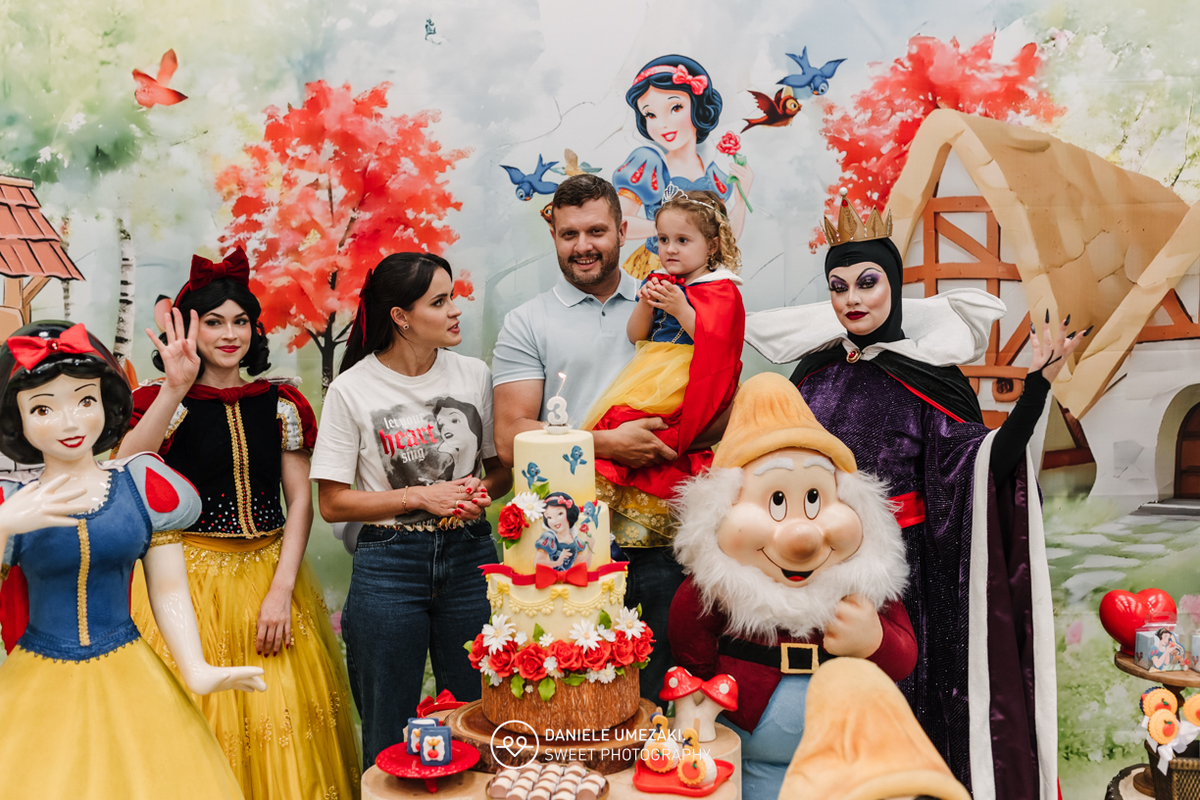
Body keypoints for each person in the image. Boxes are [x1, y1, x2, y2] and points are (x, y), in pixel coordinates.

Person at [744, 196, 1082, 800]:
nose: (853, 298)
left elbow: (985, 467)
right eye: (839, 285)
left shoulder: (929, 374)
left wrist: (1037, 389)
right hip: (809, 577)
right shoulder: (813, 374)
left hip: (904, 584)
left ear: (893, 286)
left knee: (898, 726)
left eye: (867, 282)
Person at [118, 250, 361, 800]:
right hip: (186, 580)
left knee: (282, 718)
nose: (230, 334)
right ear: (189, 329)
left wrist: (280, 591)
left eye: (240, 321)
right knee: (201, 718)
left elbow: (300, 502)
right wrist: (176, 388)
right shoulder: (162, 403)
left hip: (273, 577)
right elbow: (124, 467)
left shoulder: (281, 402)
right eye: (214, 321)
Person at [0, 321, 265, 799]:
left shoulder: (142, 490)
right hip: (38, 679)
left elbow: (168, 589)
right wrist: (3, 527)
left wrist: (196, 667)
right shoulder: (12, 504)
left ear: (106, 402)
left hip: (130, 671)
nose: (69, 422)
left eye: (84, 400)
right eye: (43, 408)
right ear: (18, 422)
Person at [492, 173, 689, 702]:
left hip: (662, 532)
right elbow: (510, 438)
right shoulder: (526, 323)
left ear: (624, 231)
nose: (583, 246)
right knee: (570, 693)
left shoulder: (670, 302)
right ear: (553, 236)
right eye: (569, 234)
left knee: (661, 686)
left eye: (596, 231)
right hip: (564, 538)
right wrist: (606, 443)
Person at [311, 252, 511, 767]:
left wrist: (477, 493)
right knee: (389, 729)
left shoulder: (474, 375)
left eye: (453, 298)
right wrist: (419, 496)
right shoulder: (352, 389)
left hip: (471, 559)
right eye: (439, 302)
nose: (454, 311)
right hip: (388, 565)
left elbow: (499, 471)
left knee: (480, 718)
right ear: (401, 317)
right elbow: (331, 504)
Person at [582, 188, 744, 538]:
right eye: (663, 239)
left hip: (688, 372)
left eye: (683, 240)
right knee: (615, 422)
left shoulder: (720, 289)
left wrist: (680, 307)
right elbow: (636, 335)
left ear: (712, 246)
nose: (669, 249)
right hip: (652, 367)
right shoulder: (661, 282)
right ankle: (601, 525)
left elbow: (717, 342)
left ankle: (643, 506)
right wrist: (645, 302)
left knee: (643, 426)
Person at [614, 54, 753, 279]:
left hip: (703, 274)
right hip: (658, 271)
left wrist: (741, 199)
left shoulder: (712, 171)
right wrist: (668, 234)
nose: (663, 123)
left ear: (697, 107)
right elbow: (619, 222)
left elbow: (726, 239)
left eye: (675, 107)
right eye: (650, 114)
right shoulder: (647, 162)